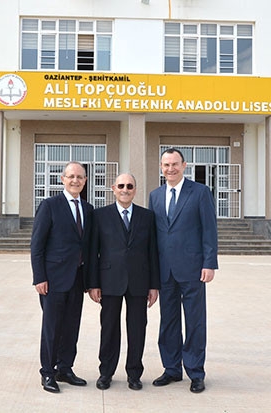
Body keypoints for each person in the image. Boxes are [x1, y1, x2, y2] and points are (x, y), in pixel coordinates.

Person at [148, 147, 218, 394]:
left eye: (175, 164)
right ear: (161, 167)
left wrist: (209, 263)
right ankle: (171, 369)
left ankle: (196, 372)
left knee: (195, 322)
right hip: (165, 271)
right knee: (168, 322)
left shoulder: (200, 192)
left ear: (184, 165)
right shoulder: (155, 196)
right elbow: (154, 235)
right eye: (166, 165)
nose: (171, 169)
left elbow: (209, 229)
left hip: (193, 269)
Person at [87, 173, 160, 391]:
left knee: (137, 329)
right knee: (109, 328)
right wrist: (93, 283)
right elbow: (93, 252)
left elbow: (153, 252)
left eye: (129, 186)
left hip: (139, 281)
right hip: (109, 280)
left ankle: (134, 374)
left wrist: (154, 285)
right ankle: (106, 372)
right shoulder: (99, 216)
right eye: (121, 186)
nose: (125, 189)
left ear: (135, 190)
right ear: (113, 188)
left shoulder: (147, 216)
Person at [31, 161, 94, 393]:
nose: (75, 180)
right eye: (71, 176)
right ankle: (48, 372)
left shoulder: (88, 209)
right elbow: (37, 245)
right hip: (53, 279)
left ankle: (65, 369)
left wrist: (91, 280)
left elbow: (88, 246)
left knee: (71, 326)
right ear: (62, 179)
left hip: (78, 279)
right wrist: (39, 277)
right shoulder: (50, 206)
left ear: (85, 181)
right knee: (52, 328)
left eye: (80, 177)